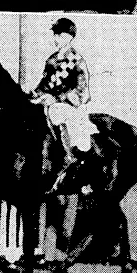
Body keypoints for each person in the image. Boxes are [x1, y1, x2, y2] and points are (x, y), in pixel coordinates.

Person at [28, 17, 91, 190]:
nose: (56, 39)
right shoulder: (51, 60)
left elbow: (81, 91)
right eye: (55, 35)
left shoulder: (78, 61)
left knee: (56, 111)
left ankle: (69, 157)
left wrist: (56, 98)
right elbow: (44, 85)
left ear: (69, 37)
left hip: (71, 106)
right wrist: (33, 94)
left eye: (60, 35)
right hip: (51, 104)